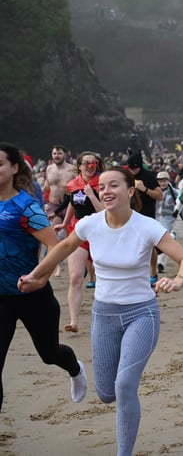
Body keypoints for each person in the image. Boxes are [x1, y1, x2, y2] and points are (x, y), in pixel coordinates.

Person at [19, 166, 183, 456]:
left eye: (114, 185)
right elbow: (63, 247)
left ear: (130, 191)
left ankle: (123, 452)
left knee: (125, 385)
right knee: (106, 393)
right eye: (102, 187)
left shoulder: (147, 226)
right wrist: (39, 274)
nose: (106, 191)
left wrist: (178, 280)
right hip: (104, 314)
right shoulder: (90, 223)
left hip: (142, 313)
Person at [0, 143, 87, 412]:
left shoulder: (25, 207)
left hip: (32, 296)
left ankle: (75, 368)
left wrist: (40, 278)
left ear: (14, 168)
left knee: (50, 354)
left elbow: (55, 246)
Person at [58, 151, 105, 332]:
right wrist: (63, 222)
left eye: (93, 163)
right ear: (79, 166)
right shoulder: (73, 185)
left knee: (104, 277)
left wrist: (91, 194)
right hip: (79, 232)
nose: (90, 166)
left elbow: (104, 212)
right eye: (86, 163)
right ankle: (74, 321)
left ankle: (106, 315)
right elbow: (72, 203)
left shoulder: (103, 183)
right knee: (76, 277)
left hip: (101, 232)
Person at [127, 151, 163, 286]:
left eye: (135, 168)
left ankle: (153, 273)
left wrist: (144, 189)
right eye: (130, 168)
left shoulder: (148, 176)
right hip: (130, 214)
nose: (133, 171)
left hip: (147, 214)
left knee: (149, 245)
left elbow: (160, 195)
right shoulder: (127, 176)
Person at [42, 145, 77, 276]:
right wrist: (45, 188)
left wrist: (69, 186)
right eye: (54, 153)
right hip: (53, 205)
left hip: (69, 205)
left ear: (65, 154)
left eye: (59, 153)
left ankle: (77, 262)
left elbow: (80, 185)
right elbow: (47, 185)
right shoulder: (49, 168)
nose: (57, 156)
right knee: (53, 236)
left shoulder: (72, 169)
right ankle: (59, 266)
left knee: (72, 237)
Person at [155, 171, 181, 272]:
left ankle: (160, 263)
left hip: (168, 219)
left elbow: (180, 200)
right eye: (160, 181)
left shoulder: (173, 192)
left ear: (168, 181)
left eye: (165, 180)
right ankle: (158, 263)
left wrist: (177, 210)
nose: (162, 183)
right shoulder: (155, 191)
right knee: (158, 240)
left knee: (164, 239)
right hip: (157, 218)